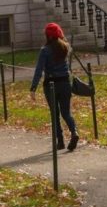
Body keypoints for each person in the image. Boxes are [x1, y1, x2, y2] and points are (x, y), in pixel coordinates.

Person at [29, 23, 79, 151]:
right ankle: (74, 132)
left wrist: (33, 88)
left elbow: (39, 70)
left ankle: (60, 141)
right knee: (66, 113)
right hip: (65, 83)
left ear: (47, 35)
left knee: (55, 114)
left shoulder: (44, 51)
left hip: (51, 85)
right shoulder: (66, 47)